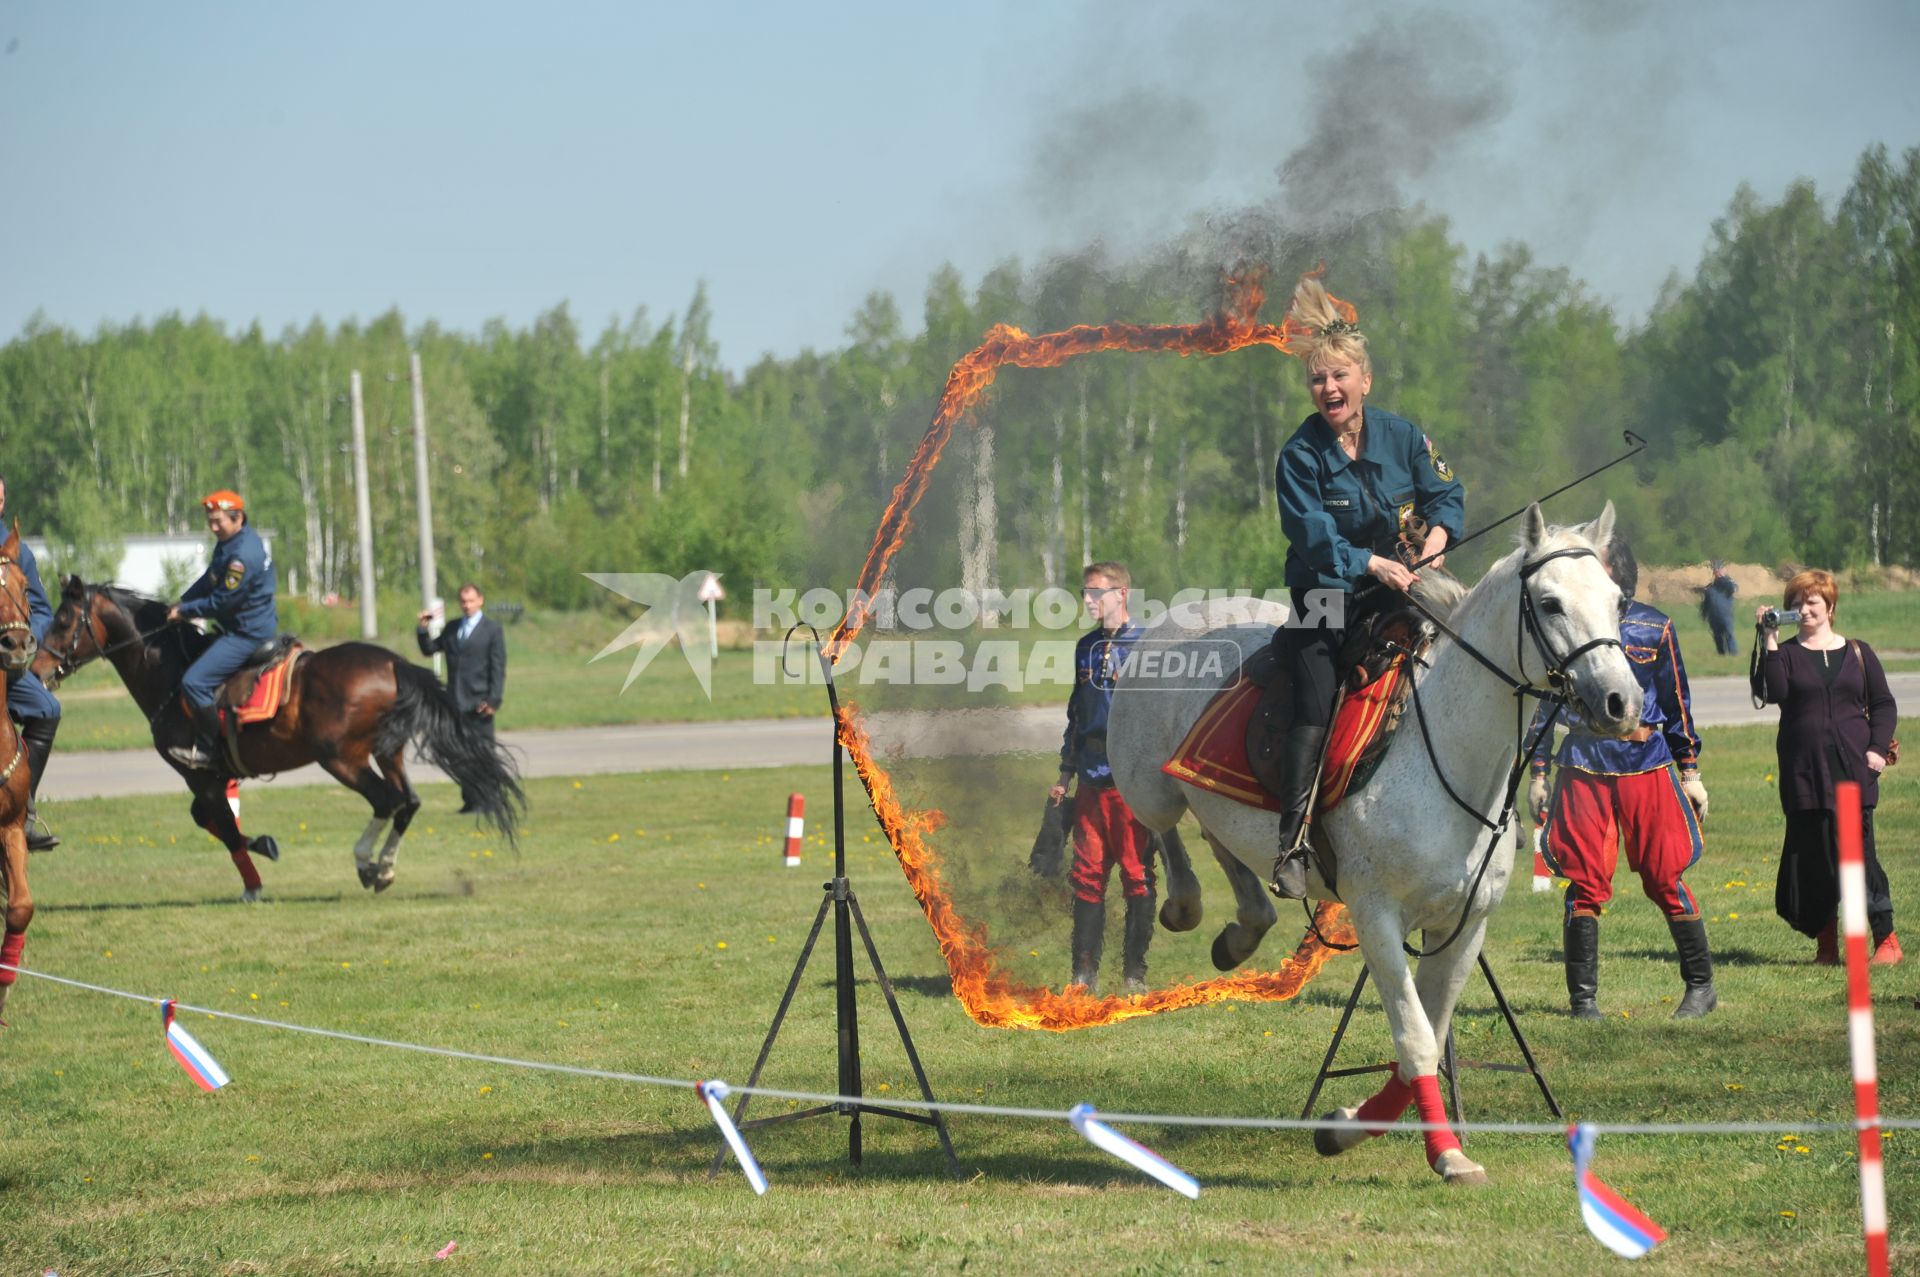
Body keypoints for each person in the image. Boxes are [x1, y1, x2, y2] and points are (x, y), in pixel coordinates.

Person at [1264, 276, 1465, 897]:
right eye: (1318, 379)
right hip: (1327, 595)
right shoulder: (1300, 456)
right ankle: (1293, 841)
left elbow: (1446, 496)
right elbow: (1313, 535)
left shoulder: (1404, 437)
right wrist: (1373, 565)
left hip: (1405, 586)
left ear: (1364, 381)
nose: (1329, 388)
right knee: (1317, 701)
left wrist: (1437, 542)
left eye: (1340, 377)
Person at [1528, 535, 1717, 1019]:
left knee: (1664, 875)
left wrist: (1690, 771)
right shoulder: (1567, 627)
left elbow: (1677, 705)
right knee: (1584, 881)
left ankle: (1701, 988)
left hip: (1647, 762)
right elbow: (1546, 707)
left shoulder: (1656, 627)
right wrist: (1539, 772)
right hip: (1584, 765)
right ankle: (1583, 1002)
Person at [1751, 570, 1901, 964]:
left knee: (1861, 856)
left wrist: (1876, 750)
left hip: (1854, 770)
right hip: (1806, 773)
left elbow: (1883, 704)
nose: (1803, 610)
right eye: (1796, 603)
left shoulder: (1858, 653)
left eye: (1812, 602)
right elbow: (1773, 693)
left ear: (1830, 608)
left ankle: (1886, 941)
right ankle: (1827, 946)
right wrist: (1768, 639)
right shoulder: (1783, 654)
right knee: (1815, 858)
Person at [1048, 561, 1154, 994]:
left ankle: (1133, 975)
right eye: (1085, 592)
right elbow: (1078, 713)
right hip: (1090, 778)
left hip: (1130, 779)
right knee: (1087, 876)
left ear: (1121, 594)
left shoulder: (1147, 645)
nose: (1089, 600)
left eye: (1096, 592)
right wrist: (1065, 773)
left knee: (1136, 875)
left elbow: (1158, 718)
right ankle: (1083, 974)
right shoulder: (1085, 647)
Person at [165, 490, 277, 770]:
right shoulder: (230, 542)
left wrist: (184, 612)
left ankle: (208, 750)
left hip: (247, 633)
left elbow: (222, 600)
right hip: (238, 626)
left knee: (194, 682)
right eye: (210, 521)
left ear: (237, 518)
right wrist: (183, 600)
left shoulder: (243, 555)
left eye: (218, 522)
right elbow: (210, 579)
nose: (213, 527)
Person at [0, 476, 63, 850]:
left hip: (7, 665)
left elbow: (40, 608)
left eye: (1, 495)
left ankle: (21, 808)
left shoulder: (16, 548)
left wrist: (26, 635)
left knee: (47, 708)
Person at [417, 582, 506, 813]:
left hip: (480, 703)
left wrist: (493, 700)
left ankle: (489, 800)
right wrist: (422, 628)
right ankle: (470, 800)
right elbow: (429, 649)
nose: (467, 605)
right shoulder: (453, 628)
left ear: (480, 600)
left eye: (471, 600)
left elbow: (498, 668)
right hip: (456, 702)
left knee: (483, 753)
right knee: (460, 755)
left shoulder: (492, 630)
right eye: (463, 601)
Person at [1698, 559, 1739, 655]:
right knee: (1717, 636)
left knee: (1729, 634)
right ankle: (1721, 654)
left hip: (1726, 614)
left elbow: (1733, 588)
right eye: (1716, 569)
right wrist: (1704, 614)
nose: (1717, 571)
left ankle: (1733, 654)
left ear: (1724, 570)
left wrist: (1722, 578)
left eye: (1720, 569)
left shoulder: (1728, 583)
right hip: (1713, 616)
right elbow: (1706, 603)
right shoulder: (1710, 587)